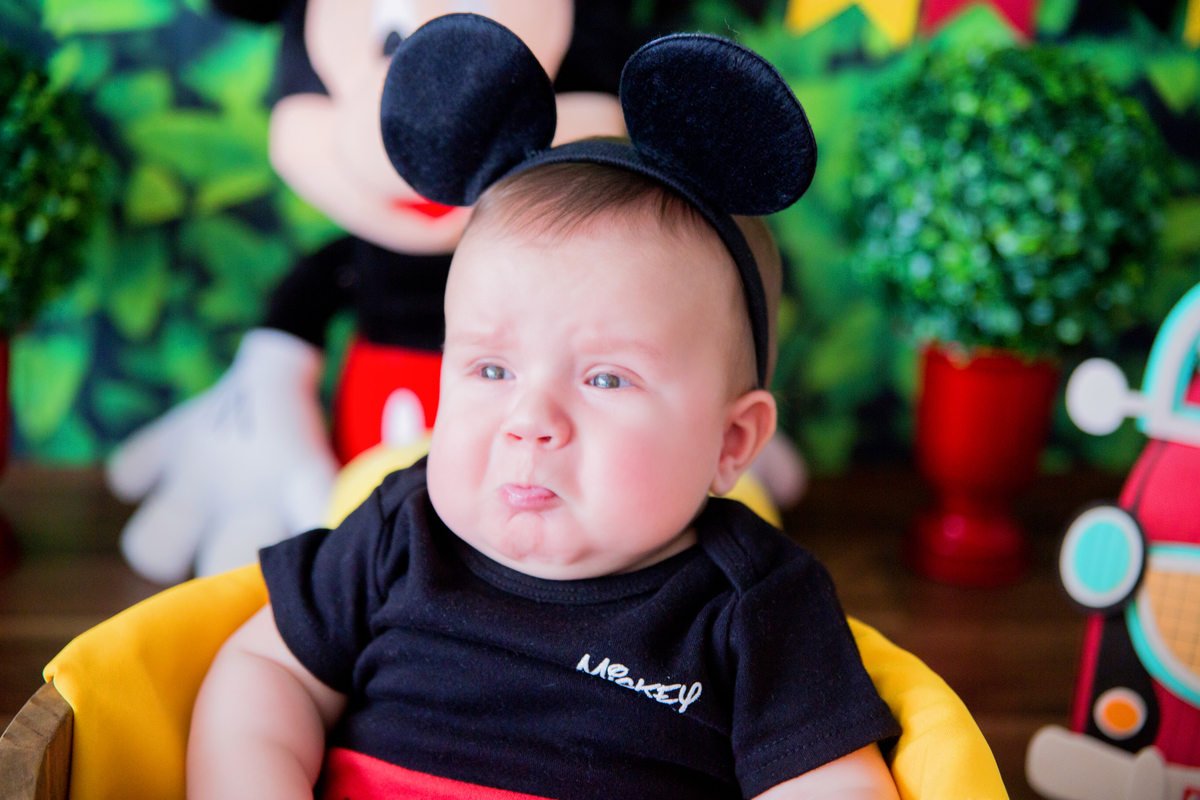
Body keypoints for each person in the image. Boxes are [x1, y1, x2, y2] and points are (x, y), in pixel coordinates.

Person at [187, 15, 900, 800]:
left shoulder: (753, 604)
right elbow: (265, 672)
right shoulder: (400, 529)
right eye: (491, 368)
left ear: (732, 441)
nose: (531, 420)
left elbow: (832, 784)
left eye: (606, 379)